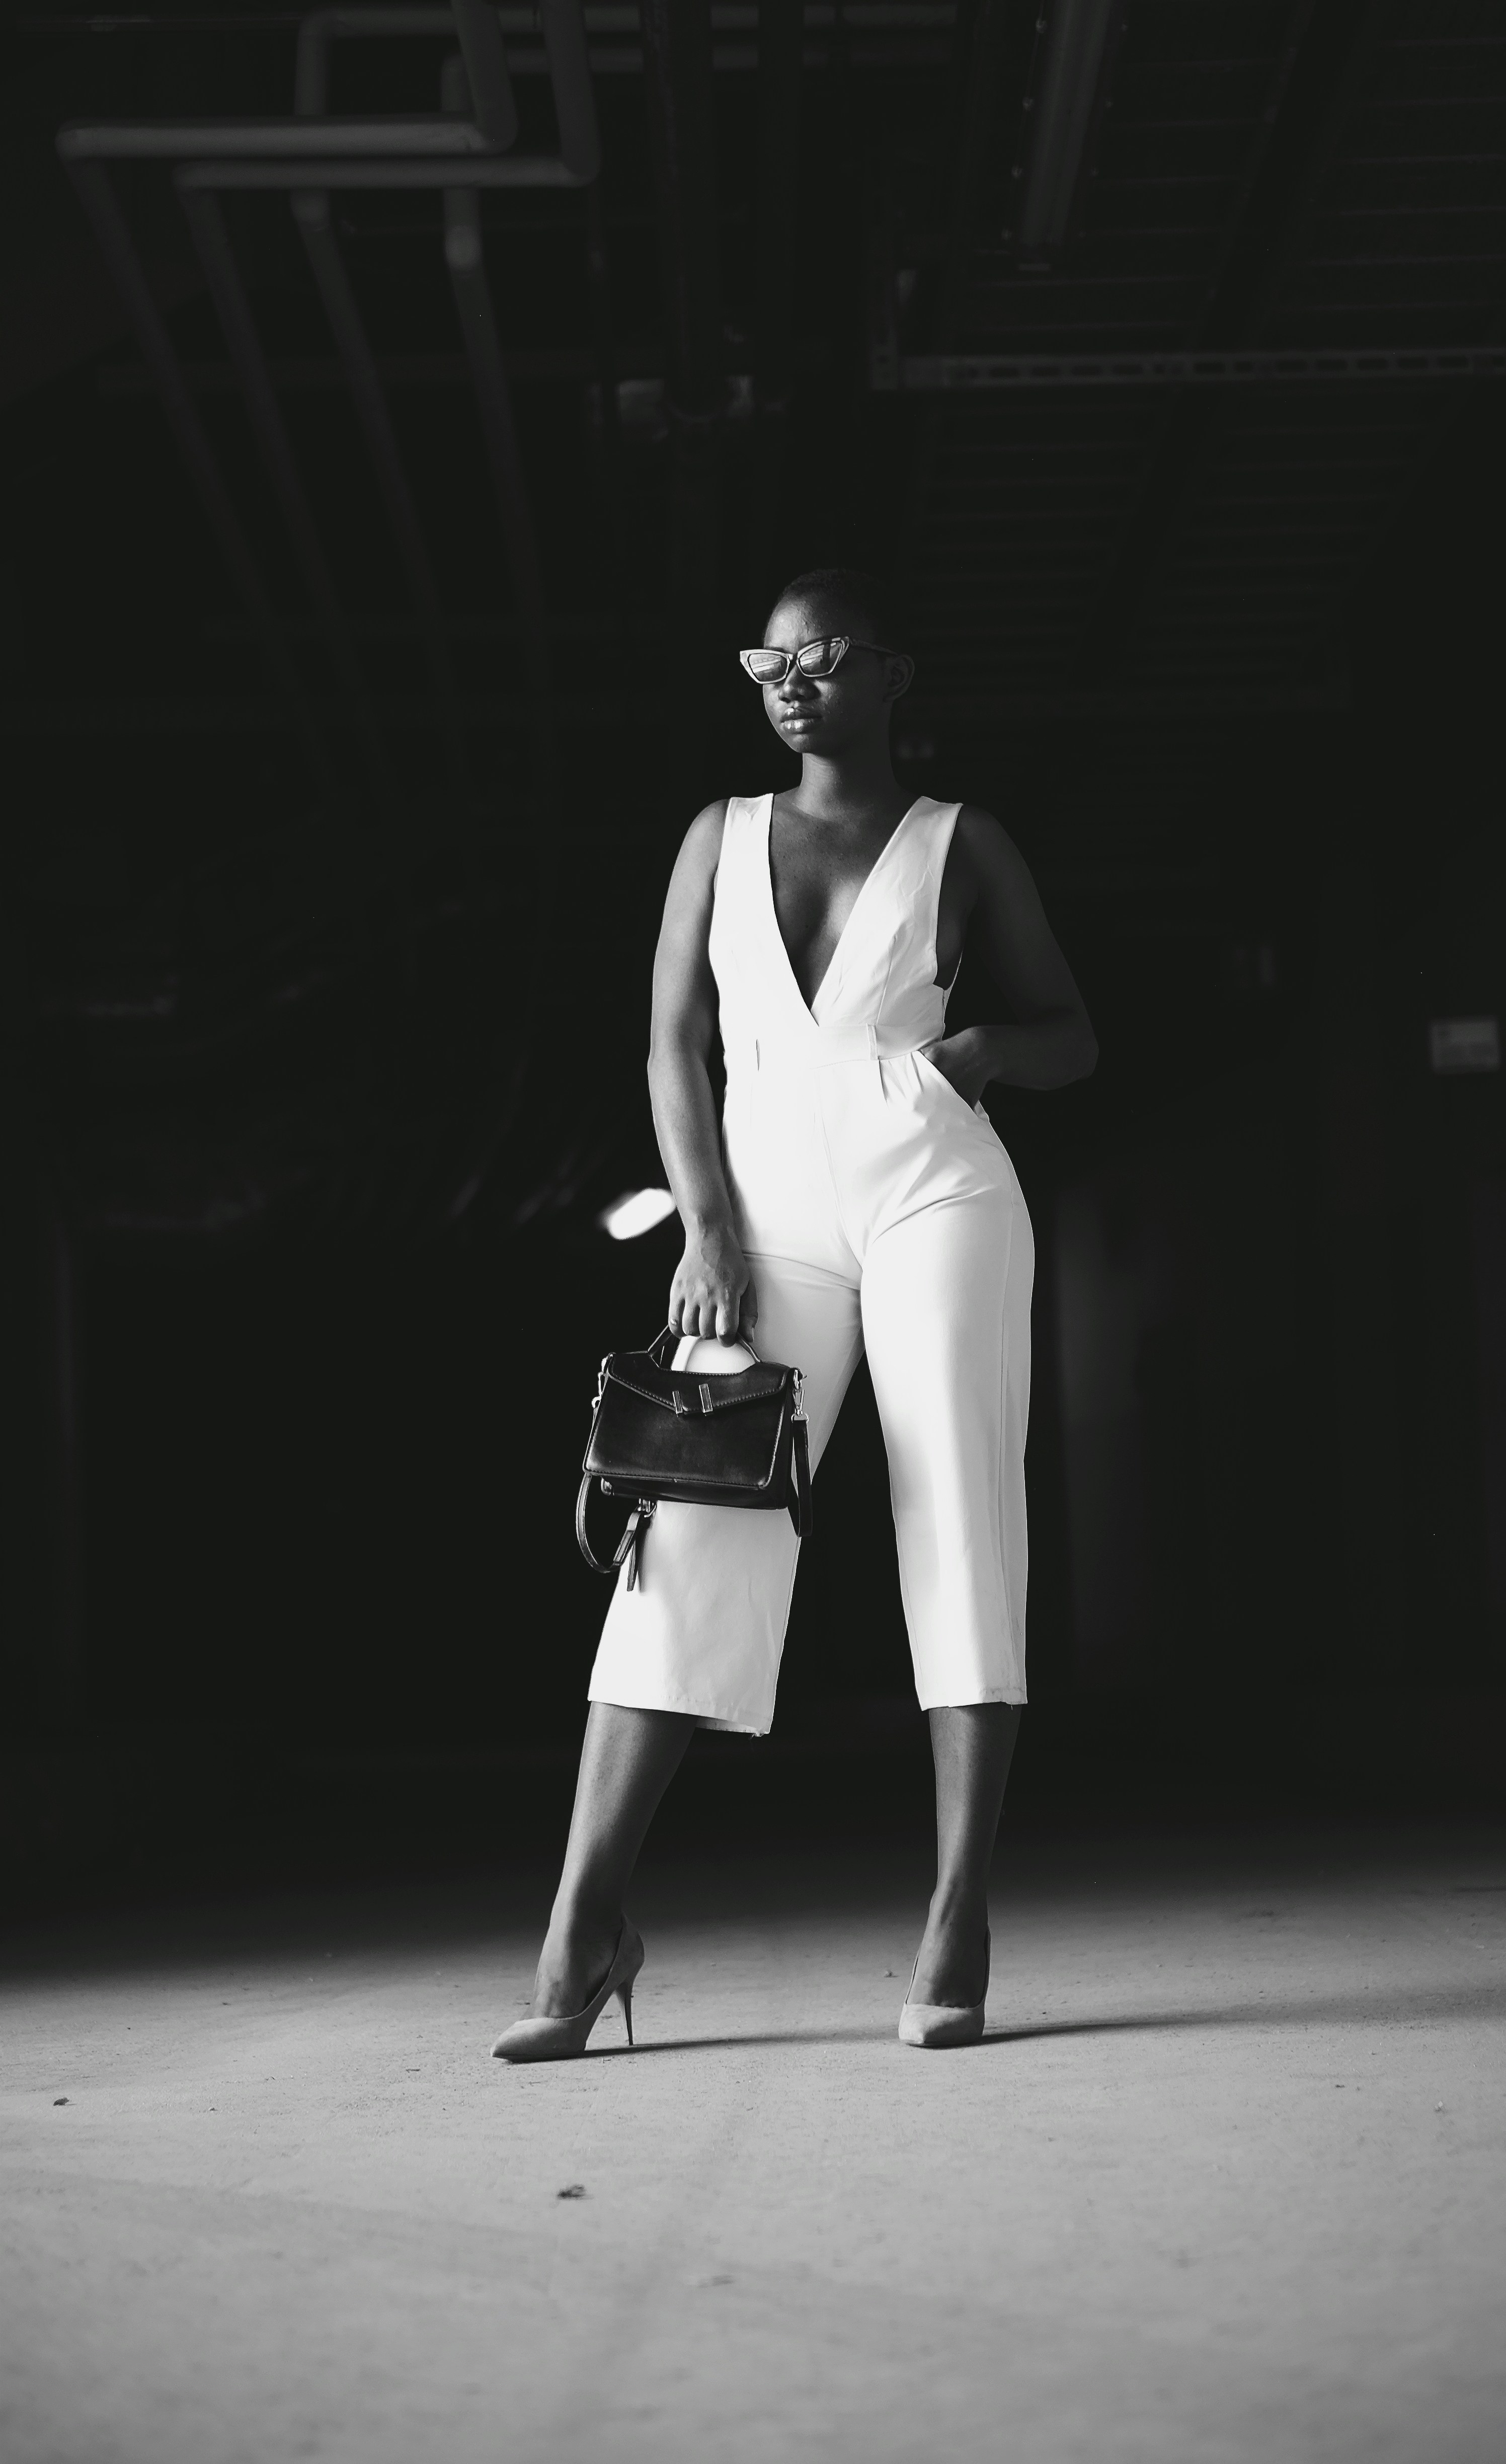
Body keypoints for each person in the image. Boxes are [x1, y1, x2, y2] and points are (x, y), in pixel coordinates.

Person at [494, 568, 1096, 2060]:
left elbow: (1073, 1034)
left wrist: (976, 1055)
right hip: (761, 1225)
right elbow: (671, 1045)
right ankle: (585, 1924)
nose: (790, 682)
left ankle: (958, 1916)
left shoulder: (963, 841)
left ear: (894, 674)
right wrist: (705, 1227)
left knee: (960, 1516)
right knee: (687, 1534)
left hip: (936, 1190)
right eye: (767, 662)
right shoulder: (719, 833)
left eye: (822, 656)